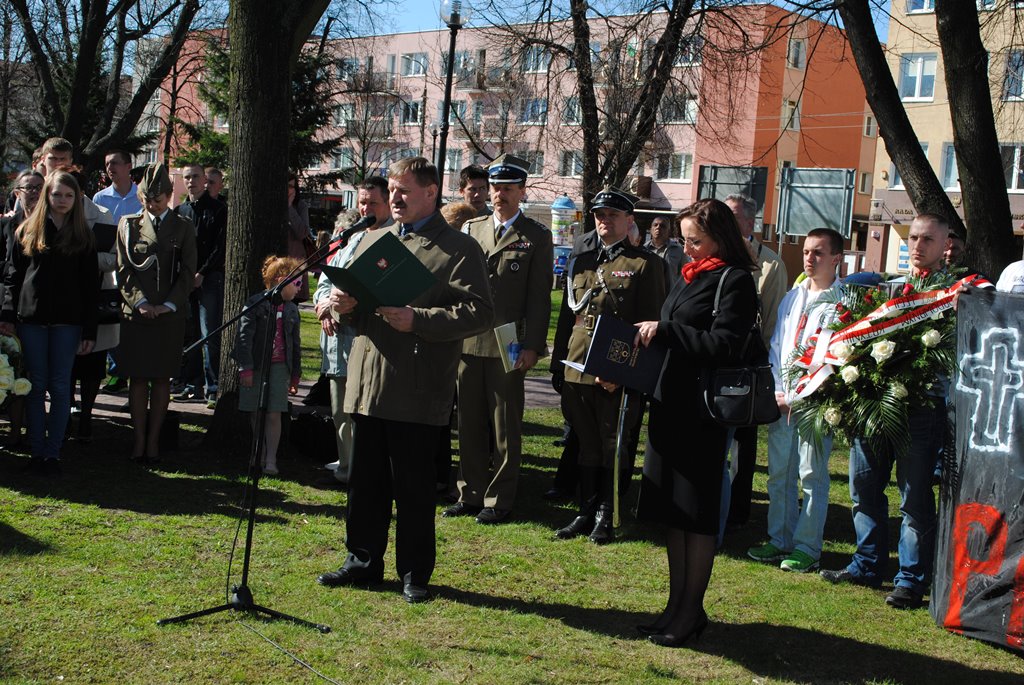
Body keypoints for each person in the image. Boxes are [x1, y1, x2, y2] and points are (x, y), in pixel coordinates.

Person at [315, 157, 492, 603]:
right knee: (365, 482)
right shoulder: (373, 237)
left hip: (416, 382)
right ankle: (362, 561)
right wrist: (345, 303)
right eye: (392, 189)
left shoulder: (457, 248)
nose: (394, 197)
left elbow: (478, 312)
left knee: (412, 487)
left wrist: (419, 319)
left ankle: (414, 573)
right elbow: (359, 310)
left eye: (405, 190)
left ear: (432, 193)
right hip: (368, 377)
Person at [633, 197, 758, 646]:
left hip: (703, 415)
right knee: (674, 513)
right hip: (670, 405)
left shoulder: (735, 280)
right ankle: (675, 604)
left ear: (720, 238)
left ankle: (691, 611)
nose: (687, 249)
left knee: (697, 515)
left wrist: (666, 331)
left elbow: (725, 345)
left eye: (695, 241)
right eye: (684, 240)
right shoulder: (689, 276)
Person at [819, 213, 952, 610]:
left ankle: (911, 578)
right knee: (864, 488)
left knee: (913, 497)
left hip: (920, 410)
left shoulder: (956, 292)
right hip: (874, 407)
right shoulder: (889, 290)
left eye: (927, 239)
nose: (917, 246)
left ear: (945, 245)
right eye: (913, 238)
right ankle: (867, 563)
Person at [550, 186, 666, 544]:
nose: (605, 221)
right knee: (585, 441)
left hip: (614, 372)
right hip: (578, 364)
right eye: (600, 215)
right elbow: (571, 318)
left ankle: (607, 512)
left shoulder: (645, 265)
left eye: (613, 215)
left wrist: (622, 372)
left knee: (613, 442)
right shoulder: (582, 260)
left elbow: (647, 328)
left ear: (629, 220)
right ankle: (585, 510)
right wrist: (558, 365)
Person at [446, 154, 553, 524]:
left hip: (509, 341)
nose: (499, 195)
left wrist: (533, 346)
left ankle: (499, 498)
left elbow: (540, 298)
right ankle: (470, 492)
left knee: (504, 424)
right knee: (470, 422)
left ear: (522, 192)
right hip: (468, 339)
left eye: (508, 189)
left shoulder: (536, 236)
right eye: (495, 188)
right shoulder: (472, 230)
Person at [746, 228, 844, 573]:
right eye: (806, 251)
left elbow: (833, 358)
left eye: (818, 252)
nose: (809, 258)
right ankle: (779, 539)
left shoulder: (840, 301)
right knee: (779, 473)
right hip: (782, 399)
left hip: (814, 403)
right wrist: (777, 390)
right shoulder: (793, 296)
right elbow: (777, 347)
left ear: (836, 258)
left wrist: (801, 394)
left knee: (811, 474)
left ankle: (807, 546)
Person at [0, 170, 100, 474]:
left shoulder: (83, 235)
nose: (63, 201)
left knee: (59, 386)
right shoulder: (27, 230)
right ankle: (36, 449)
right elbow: (12, 277)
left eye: (69, 196)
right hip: (31, 320)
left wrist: (89, 329)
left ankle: (52, 452)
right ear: (47, 194)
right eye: (57, 194)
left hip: (68, 322)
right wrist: (7, 315)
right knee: (34, 385)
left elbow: (90, 287)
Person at [116, 163, 198, 463]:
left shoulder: (184, 226)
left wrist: (169, 304)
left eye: (158, 199)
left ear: (168, 196)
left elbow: (189, 271)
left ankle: (154, 441)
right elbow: (123, 271)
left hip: (169, 314)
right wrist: (140, 303)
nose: (153, 205)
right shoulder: (128, 225)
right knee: (137, 378)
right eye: (148, 200)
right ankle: (138, 440)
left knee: (162, 378)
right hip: (137, 314)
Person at [314, 176, 393, 485]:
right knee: (340, 409)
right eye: (361, 201)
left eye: (372, 202)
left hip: (366, 340)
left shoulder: (392, 239)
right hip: (335, 339)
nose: (365, 208)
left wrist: (342, 306)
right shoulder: (352, 236)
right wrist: (323, 307)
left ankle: (361, 470)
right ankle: (346, 464)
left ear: (386, 203)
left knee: (364, 412)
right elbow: (325, 281)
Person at [723, 194, 788, 531]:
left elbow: (774, 322)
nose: (728, 222)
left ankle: (737, 509)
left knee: (742, 443)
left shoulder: (770, 264)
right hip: (714, 360)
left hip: (747, 365)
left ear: (750, 223)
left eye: (734, 216)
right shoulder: (714, 255)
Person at [234, 255, 303, 476]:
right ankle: (257, 453)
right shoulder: (256, 304)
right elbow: (243, 338)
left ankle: (271, 458)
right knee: (256, 412)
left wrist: (295, 375)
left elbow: (296, 344)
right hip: (256, 365)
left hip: (280, 366)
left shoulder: (292, 310)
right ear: (282, 280)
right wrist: (245, 367)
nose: (300, 289)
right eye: (298, 283)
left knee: (275, 412)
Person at [173, 164, 228, 407]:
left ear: (204, 179)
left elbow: (220, 246)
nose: (191, 181)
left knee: (209, 334)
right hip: (186, 280)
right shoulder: (180, 210)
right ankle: (190, 383)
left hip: (210, 279)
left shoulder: (218, 209)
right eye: (187, 177)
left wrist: (202, 273)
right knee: (189, 333)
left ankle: (213, 386)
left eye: (196, 176)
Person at [0, 170, 44, 447]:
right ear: (18, 193)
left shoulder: (52, 225)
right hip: (8, 306)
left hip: (38, 310)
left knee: (33, 374)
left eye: (40, 187)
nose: (35, 192)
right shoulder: (7, 226)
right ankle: (14, 431)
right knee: (12, 371)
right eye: (29, 188)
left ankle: (32, 430)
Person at [92, 150, 142, 224]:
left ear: (129, 166)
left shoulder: (142, 197)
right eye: (107, 164)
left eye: (114, 163)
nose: (109, 167)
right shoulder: (100, 198)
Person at [286, 173, 312, 302]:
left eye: (291, 186)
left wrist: (290, 207)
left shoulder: (300, 206)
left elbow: (303, 232)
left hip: (293, 266)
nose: (287, 189)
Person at [646, 215, 687, 286]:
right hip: (650, 294)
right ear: (650, 230)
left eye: (662, 226)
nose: (658, 227)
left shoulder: (678, 250)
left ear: (669, 231)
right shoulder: (644, 250)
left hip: (670, 295)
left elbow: (684, 275)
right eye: (655, 225)